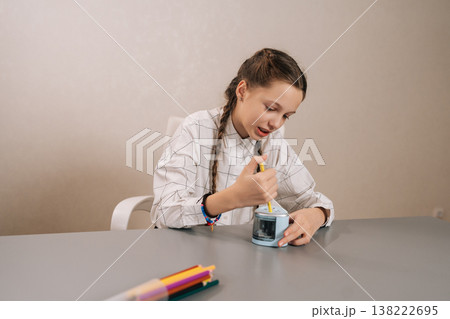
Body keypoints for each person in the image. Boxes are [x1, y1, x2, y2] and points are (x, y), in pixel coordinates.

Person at [150, 48, 334, 247]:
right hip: (186, 254)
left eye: (286, 116)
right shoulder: (195, 129)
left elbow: (312, 200)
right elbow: (163, 212)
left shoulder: (273, 143)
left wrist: (317, 215)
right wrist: (232, 198)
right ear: (242, 91)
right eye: (271, 108)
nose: (277, 123)